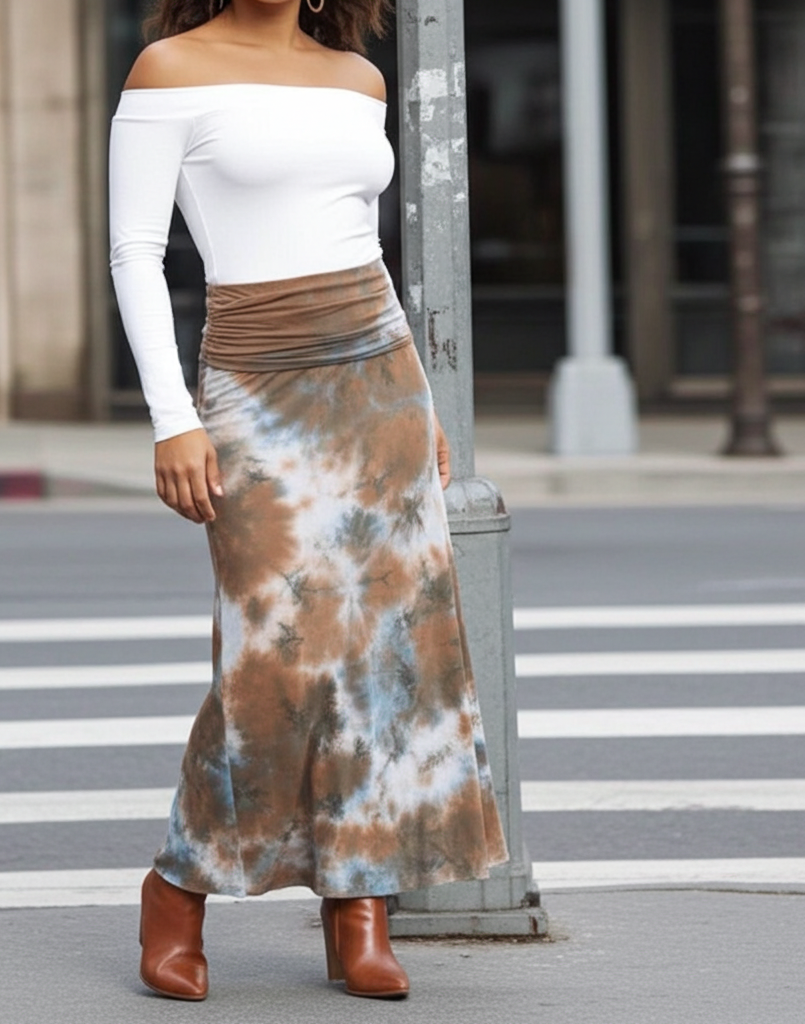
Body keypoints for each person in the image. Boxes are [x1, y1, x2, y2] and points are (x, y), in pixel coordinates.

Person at [109, 0, 508, 1002]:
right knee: (272, 652)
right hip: (254, 374)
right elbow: (135, 254)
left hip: (376, 373)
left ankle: (358, 902)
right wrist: (172, 417)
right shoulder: (167, 68)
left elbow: (365, 247)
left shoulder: (356, 79)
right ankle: (176, 884)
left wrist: (421, 398)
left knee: (385, 647)